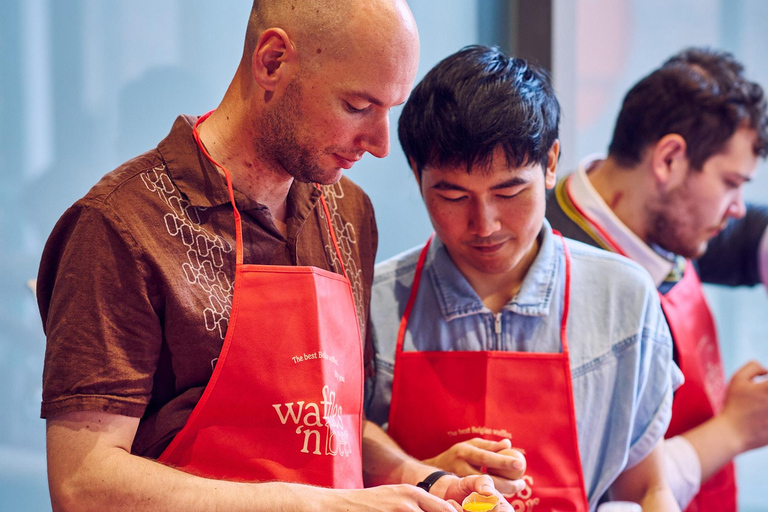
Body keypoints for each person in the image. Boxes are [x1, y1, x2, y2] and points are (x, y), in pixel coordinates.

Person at [37, 2, 514, 511]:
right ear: (271, 62)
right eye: (357, 106)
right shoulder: (121, 226)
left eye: (388, 111)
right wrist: (315, 505)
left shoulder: (346, 210)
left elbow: (331, 422)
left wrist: (425, 481)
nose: (379, 145)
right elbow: (83, 482)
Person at [366, 45, 683, 511]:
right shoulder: (373, 303)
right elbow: (344, 447)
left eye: (509, 190)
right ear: (417, 175)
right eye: (453, 196)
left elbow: (647, 488)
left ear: (551, 164)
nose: (485, 223)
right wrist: (422, 473)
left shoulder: (625, 298)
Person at [546, 47, 768, 510]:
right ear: (669, 159)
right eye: (730, 182)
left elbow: (751, 236)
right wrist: (732, 431)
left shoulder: (660, 221)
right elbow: (594, 483)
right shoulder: (556, 274)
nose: (737, 206)